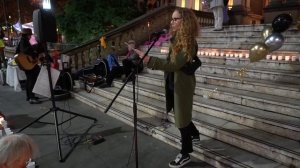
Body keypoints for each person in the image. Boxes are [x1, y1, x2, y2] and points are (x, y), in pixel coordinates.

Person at [134, 7, 200, 168]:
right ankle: (195, 134)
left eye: (175, 19)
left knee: (181, 120)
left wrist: (149, 60)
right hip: (173, 81)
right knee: (179, 113)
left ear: (185, 21)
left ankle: (185, 153)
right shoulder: (177, 38)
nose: (171, 22)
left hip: (182, 85)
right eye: (172, 19)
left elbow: (173, 64)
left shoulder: (188, 41)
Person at [15, 28, 41, 104]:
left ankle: (29, 96)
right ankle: (31, 98)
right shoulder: (23, 40)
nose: (31, 36)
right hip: (27, 64)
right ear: (27, 35)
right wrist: (34, 48)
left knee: (30, 80)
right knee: (31, 80)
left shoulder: (24, 40)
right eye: (30, 34)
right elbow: (25, 50)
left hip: (27, 64)